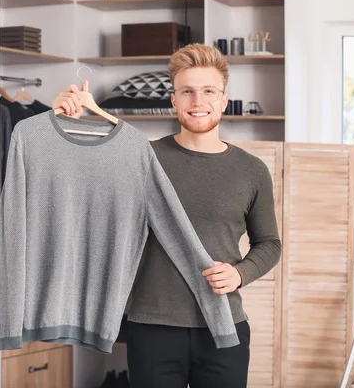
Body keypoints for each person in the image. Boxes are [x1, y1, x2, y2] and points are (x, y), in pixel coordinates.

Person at [53, 43, 282, 388]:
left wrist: (239, 274)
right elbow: (74, 190)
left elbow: (269, 243)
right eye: (187, 92)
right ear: (173, 100)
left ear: (223, 99)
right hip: (152, 330)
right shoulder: (140, 160)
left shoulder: (251, 171)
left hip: (224, 329)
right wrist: (62, 124)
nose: (198, 101)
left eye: (208, 91)